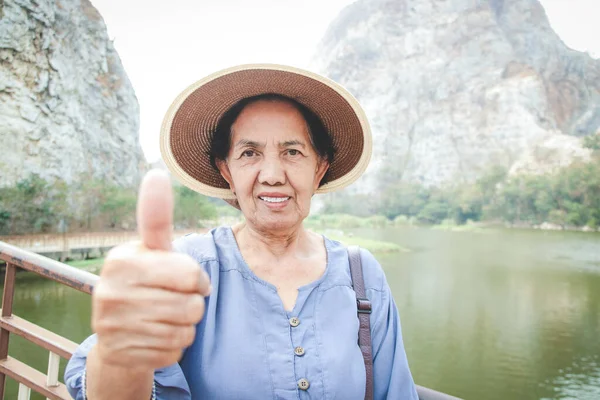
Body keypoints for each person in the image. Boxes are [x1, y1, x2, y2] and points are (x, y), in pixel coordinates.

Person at [64, 64, 419, 399]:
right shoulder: (190, 268)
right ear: (226, 171)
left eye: (292, 152)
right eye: (250, 153)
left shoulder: (361, 274)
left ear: (320, 168)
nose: (272, 175)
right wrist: (119, 352)